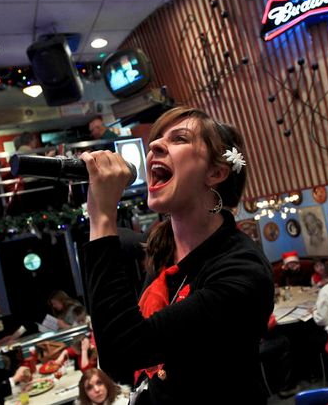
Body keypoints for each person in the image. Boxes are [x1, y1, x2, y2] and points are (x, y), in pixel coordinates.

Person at [81, 107, 274, 403]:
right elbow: (119, 366)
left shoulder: (242, 272)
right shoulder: (164, 252)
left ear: (216, 173)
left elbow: (123, 351)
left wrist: (103, 218)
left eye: (179, 139)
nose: (154, 145)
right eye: (157, 138)